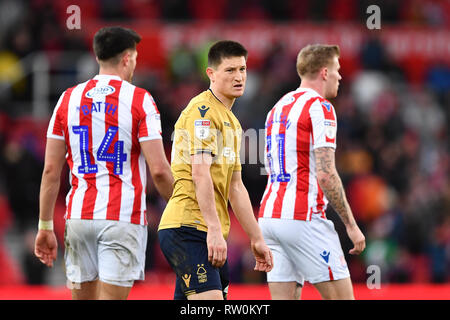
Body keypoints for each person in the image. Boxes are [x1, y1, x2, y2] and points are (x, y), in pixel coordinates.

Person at [34, 26, 173, 300]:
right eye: (134, 57)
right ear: (126, 58)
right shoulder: (139, 99)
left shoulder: (67, 99)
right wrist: (186, 208)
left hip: (78, 217)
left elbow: (51, 170)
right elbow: (158, 171)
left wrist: (45, 226)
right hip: (121, 217)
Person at [158, 40, 273, 300]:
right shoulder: (203, 112)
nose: (239, 77)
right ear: (211, 74)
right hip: (189, 227)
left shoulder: (232, 122)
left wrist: (256, 238)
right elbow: (200, 172)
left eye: (242, 70)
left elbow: (236, 186)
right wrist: (212, 229)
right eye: (230, 70)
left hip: (204, 230)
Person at [258, 44, 366, 300]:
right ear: (325, 72)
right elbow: (326, 173)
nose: (341, 76)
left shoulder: (277, 108)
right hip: (302, 217)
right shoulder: (321, 107)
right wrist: (350, 225)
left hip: (270, 218)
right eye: (338, 70)